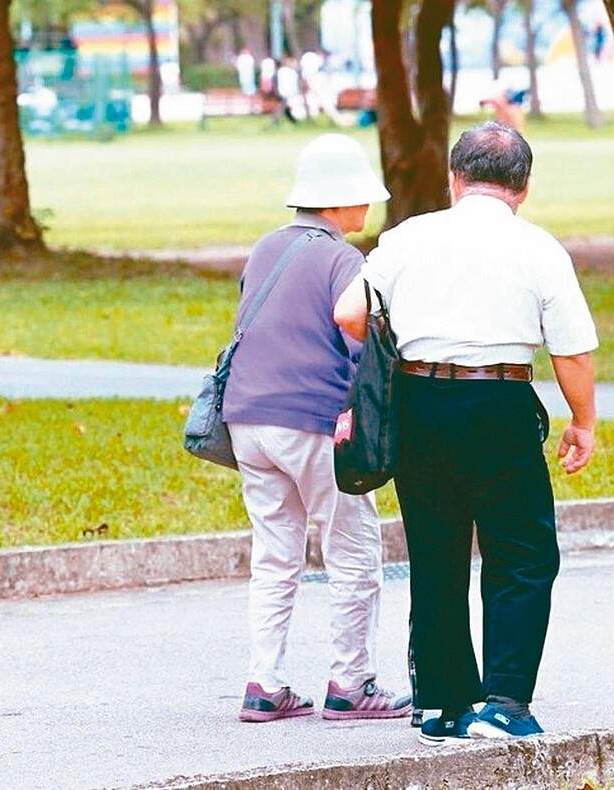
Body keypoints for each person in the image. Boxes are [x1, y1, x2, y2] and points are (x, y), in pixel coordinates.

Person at [334, 121, 598, 743]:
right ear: (523, 188)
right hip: (498, 400)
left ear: (455, 179)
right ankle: (504, 701)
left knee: (436, 550)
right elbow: (573, 353)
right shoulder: (538, 248)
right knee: (523, 554)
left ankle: (444, 704)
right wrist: (582, 422)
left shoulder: (407, 238)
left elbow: (348, 310)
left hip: (420, 401)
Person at [224, 134, 412, 723]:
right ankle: (350, 684)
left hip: (248, 420)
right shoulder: (342, 260)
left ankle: (265, 683)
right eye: (363, 198)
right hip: (312, 422)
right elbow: (355, 334)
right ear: (341, 200)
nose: (369, 210)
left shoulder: (264, 249)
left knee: (275, 554)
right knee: (353, 549)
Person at [273, 55, 302, 125]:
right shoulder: (286, 71)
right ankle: (276, 120)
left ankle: (277, 120)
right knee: (283, 106)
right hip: (287, 91)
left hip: (285, 91)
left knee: (284, 106)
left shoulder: (281, 71)